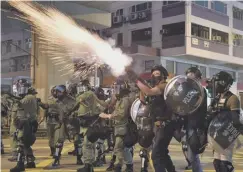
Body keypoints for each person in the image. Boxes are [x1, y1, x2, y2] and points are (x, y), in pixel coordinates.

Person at [126, 65, 177, 172]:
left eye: (157, 74)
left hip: (166, 124)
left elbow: (149, 92)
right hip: (159, 125)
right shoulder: (154, 88)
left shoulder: (164, 86)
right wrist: (140, 83)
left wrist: (136, 81)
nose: (154, 76)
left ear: (163, 76)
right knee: (162, 153)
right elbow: (143, 100)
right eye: (153, 74)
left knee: (156, 155)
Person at [208, 71, 242, 172]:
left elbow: (235, 120)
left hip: (227, 132)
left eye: (217, 82)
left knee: (225, 164)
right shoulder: (217, 98)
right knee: (217, 163)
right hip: (217, 132)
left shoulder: (232, 98)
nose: (215, 84)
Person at [99, 79, 133, 172]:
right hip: (118, 127)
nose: (114, 89)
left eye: (116, 87)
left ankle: (120, 165)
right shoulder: (119, 99)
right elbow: (109, 106)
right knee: (120, 148)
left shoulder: (125, 100)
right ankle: (125, 166)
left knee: (119, 147)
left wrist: (107, 116)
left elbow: (121, 114)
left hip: (123, 127)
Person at [76, 79, 108, 172]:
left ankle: (88, 165)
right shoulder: (91, 96)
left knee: (87, 145)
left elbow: (79, 99)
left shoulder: (88, 94)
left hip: (90, 124)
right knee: (89, 144)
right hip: (88, 124)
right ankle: (90, 164)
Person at [180, 67, 207, 172]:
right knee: (188, 152)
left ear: (199, 78)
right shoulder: (187, 90)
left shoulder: (201, 91)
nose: (190, 81)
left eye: (193, 78)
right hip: (186, 124)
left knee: (193, 155)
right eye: (188, 79)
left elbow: (195, 106)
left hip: (196, 126)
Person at [10, 79, 39, 172]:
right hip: (24, 124)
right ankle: (30, 161)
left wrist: (10, 97)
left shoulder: (29, 97)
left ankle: (20, 165)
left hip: (27, 124)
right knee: (25, 144)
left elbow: (20, 104)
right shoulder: (26, 97)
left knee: (21, 144)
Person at [46, 86, 59, 156]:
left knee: (57, 137)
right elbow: (46, 108)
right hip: (50, 120)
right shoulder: (49, 99)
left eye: (56, 91)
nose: (55, 92)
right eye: (53, 91)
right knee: (50, 137)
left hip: (57, 121)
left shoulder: (62, 100)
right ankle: (52, 151)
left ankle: (57, 152)